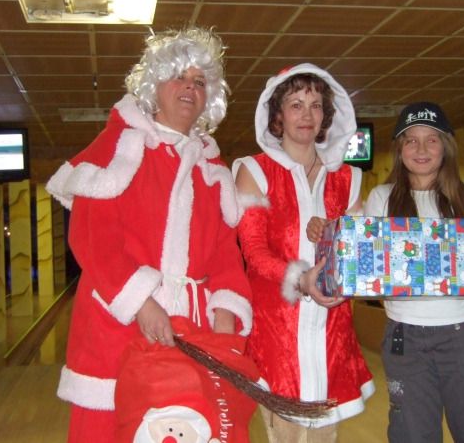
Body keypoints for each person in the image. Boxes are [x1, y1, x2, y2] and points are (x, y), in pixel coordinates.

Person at [46, 27, 253, 443]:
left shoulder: (211, 170)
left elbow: (224, 254)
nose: (190, 87)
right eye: (179, 77)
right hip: (116, 327)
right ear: (154, 86)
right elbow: (92, 238)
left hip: (193, 330)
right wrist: (140, 301)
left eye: (199, 82)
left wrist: (226, 309)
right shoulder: (119, 148)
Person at [232, 63, 374, 442]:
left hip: (332, 335)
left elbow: (359, 253)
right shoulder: (254, 171)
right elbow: (254, 252)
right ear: (277, 114)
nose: (306, 115)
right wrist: (302, 278)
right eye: (295, 105)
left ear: (326, 114)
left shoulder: (348, 178)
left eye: (315, 105)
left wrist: (335, 237)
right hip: (277, 338)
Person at [363, 101, 464, 443]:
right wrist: (444, 263)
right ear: (400, 150)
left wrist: (417, 266)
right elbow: (374, 272)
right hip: (405, 335)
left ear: (446, 147)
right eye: (411, 140)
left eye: (432, 139)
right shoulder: (381, 198)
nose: (421, 149)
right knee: (411, 433)